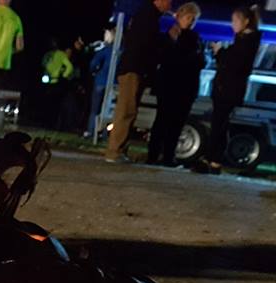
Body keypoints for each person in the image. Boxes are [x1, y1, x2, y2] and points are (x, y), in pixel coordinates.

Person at [193, 5, 261, 174]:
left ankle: (210, 158)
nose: (233, 24)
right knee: (220, 124)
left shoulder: (246, 42)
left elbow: (235, 64)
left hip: (228, 89)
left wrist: (220, 52)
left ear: (245, 21)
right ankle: (214, 159)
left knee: (218, 124)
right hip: (227, 88)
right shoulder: (245, 40)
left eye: (235, 21)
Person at [105, 0, 174, 163]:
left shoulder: (147, 15)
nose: (170, 6)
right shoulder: (148, 16)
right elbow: (146, 44)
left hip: (134, 68)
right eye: (168, 1)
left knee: (128, 109)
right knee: (126, 110)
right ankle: (114, 151)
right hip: (134, 68)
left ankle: (118, 149)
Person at [148, 3, 204, 166]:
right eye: (188, 18)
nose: (191, 22)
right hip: (171, 85)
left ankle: (166, 155)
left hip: (183, 87)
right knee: (164, 121)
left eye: (193, 19)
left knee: (175, 123)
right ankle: (156, 154)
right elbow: (168, 57)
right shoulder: (172, 36)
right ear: (180, 17)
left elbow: (198, 61)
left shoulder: (193, 38)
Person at [85, 26, 117, 138]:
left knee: (95, 109)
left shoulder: (105, 49)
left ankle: (91, 131)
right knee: (109, 110)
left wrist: (94, 72)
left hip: (100, 81)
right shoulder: (121, 51)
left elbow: (93, 64)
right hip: (114, 83)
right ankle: (104, 133)